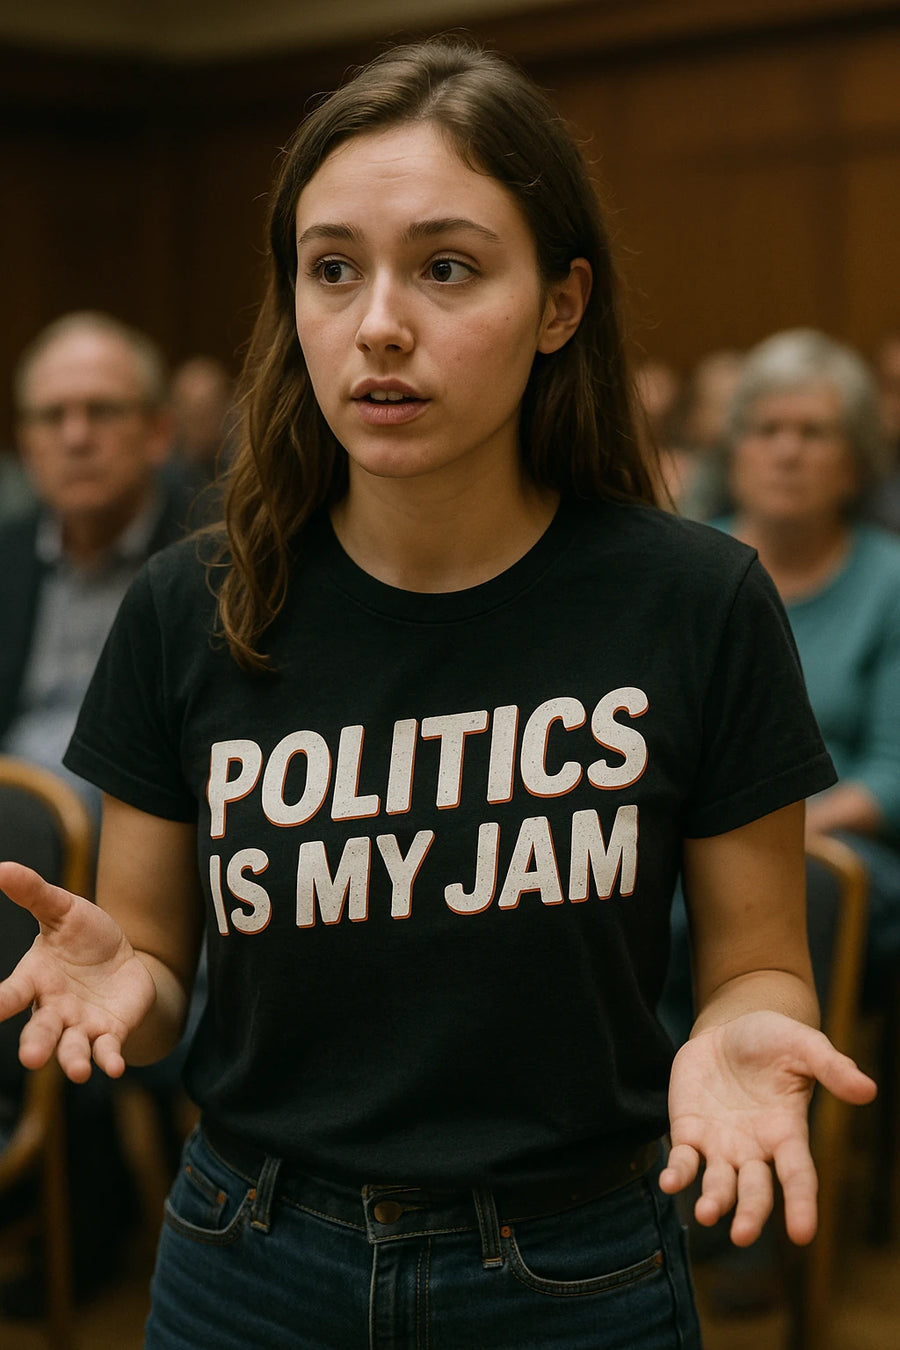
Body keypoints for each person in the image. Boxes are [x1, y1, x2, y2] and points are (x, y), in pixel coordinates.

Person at [0, 39, 876, 1349]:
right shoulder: (192, 605)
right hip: (249, 1254)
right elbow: (157, 964)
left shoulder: (693, 601)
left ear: (562, 304)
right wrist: (136, 990)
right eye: (333, 267)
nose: (380, 322)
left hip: (575, 1264)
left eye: (447, 267)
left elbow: (757, 960)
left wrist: (743, 1030)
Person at [660, 326, 900, 1312]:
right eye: (767, 428)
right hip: (682, 854)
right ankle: (649, 1184)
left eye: (815, 430)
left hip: (839, 859)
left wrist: (761, 840)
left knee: (789, 892)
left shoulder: (890, 579)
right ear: (735, 448)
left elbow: (892, 771)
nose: (789, 449)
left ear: (854, 459)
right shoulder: (687, 567)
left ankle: (746, 1202)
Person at [0, 310, 192, 1314]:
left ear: (158, 433)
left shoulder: (215, 556)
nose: (74, 435)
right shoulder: (2, 555)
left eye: (101, 412)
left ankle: (67, 1197)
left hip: (157, 855)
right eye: (52, 416)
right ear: (25, 439)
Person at [166, 354, 236, 528]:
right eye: (195, 413)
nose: (205, 423)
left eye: (210, 410)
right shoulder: (160, 486)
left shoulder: (241, 473)